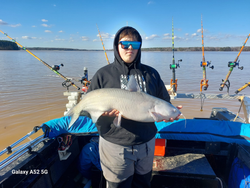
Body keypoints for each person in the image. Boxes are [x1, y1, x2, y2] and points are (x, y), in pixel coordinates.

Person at [87, 26, 182, 188]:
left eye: (135, 45)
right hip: (115, 145)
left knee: (142, 183)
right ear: (117, 46)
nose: (130, 48)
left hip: (146, 143)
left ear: (140, 47)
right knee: (118, 185)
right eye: (125, 44)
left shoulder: (151, 74)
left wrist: (171, 111)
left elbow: (163, 101)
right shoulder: (103, 75)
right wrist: (103, 114)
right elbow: (88, 108)